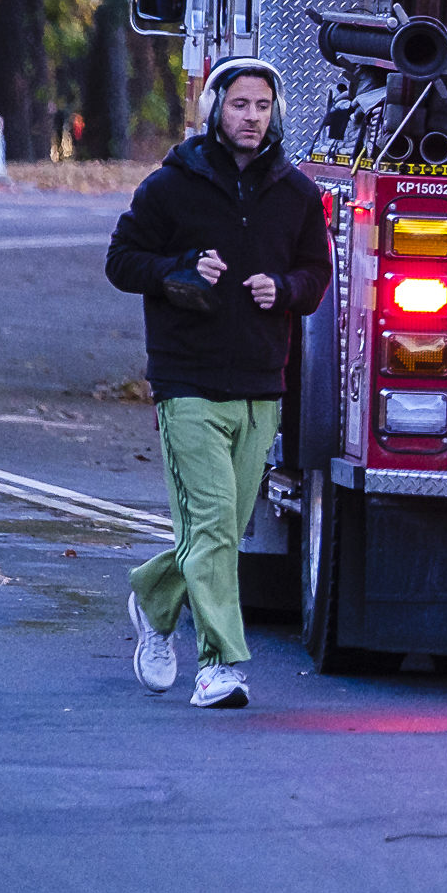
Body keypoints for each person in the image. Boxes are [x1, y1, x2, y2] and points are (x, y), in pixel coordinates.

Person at [104, 56, 331, 708]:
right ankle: (220, 665)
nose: (252, 117)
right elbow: (121, 261)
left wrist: (284, 287)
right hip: (188, 382)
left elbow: (316, 274)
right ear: (213, 110)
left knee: (220, 533)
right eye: (239, 105)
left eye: (263, 106)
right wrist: (180, 266)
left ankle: (152, 598)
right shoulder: (171, 186)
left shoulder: (295, 193)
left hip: (260, 384)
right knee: (209, 525)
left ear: (276, 113)